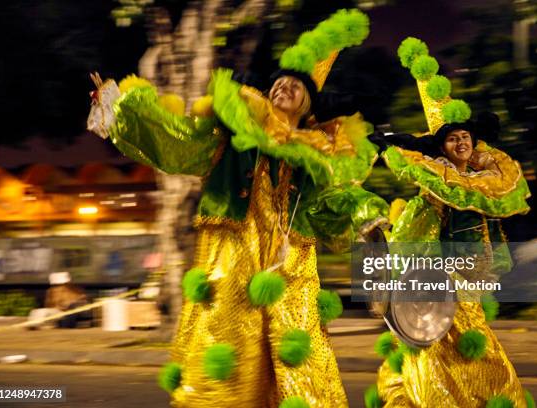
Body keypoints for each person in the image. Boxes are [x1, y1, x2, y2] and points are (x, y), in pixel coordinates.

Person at [87, 9, 387, 408]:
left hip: (291, 266)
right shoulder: (232, 132)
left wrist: (368, 216)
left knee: (298, 356)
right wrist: (124, 109)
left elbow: (333, 203)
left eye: (295, 86)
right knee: (226, 349)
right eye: (279, 82)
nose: (283, 86)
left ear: (307, 106)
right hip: (232, 258)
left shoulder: (317, 156)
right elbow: (178, 141)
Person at [365, 38, 536, 408]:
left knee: (466, 351)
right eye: (452, 138)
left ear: (474, 145)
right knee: (463, 352)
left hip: (470, 282)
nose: (460, 142)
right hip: (443, 287)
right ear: (441, 148)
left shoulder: (484, 185)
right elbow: (414, 243)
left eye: (465, 137)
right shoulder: (434, 191)